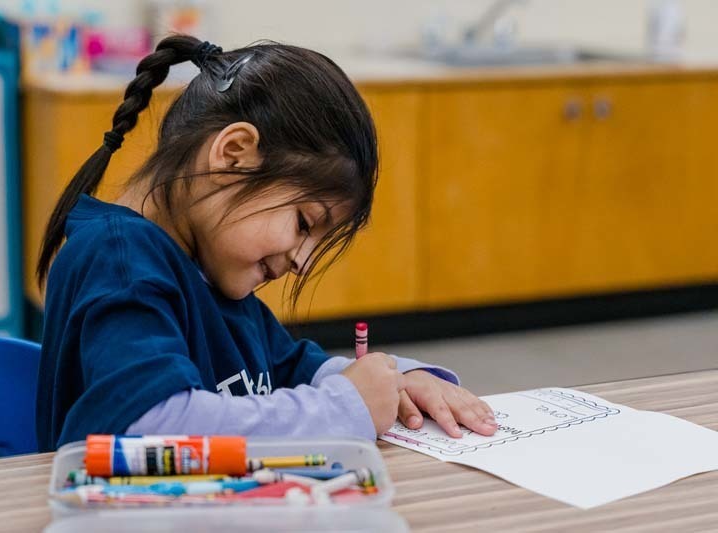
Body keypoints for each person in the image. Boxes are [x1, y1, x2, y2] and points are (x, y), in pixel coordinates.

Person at [35, 35, 498, 452]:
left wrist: (399, 380)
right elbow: (147, 425)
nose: (303, 262)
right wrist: (344, 408)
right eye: (304, 223)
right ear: (234, 155)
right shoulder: (119, 260)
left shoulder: (211, 272)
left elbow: (294, 369)